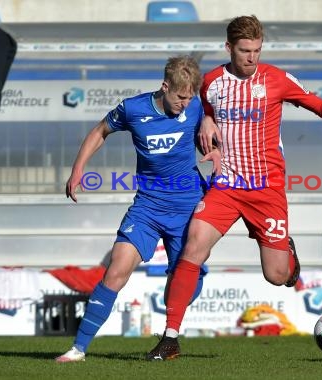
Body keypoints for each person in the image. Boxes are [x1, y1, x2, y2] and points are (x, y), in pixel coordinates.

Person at [146, 15, 322, 361]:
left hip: (267, 189)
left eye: (257, 50)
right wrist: (206, 120)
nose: (252, 58)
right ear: (229, 48)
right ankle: (170, 337)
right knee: (193, 246)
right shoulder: (212, 81)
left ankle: (287, 255)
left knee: (276, 276)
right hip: (227, 186)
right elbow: (203, 113)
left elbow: (314, 102)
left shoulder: (275, 79)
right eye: (245, 50)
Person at [55, 55, 220, 362]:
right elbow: (99, 132)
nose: (185, 103)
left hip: (188, 208)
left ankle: (169, 335)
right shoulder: (133, 109)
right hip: (147, 206)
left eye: (189, 98)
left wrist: (217, 153)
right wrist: (78, 169)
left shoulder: (198, 107)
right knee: (116, 270)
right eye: (179, 97)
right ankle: (77, 349)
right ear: (164, 86)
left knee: (189, 280)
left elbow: (214, 139)